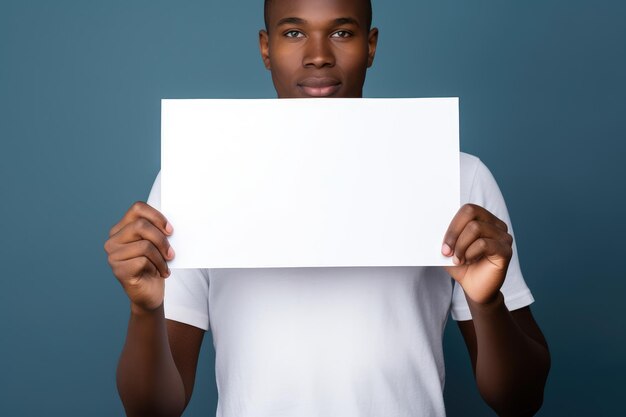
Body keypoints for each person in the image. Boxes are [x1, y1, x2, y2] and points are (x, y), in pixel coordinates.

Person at [104, 0, 551, 416]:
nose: (318, 55)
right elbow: (154, 410)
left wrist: (488, 302)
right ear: (266, 47)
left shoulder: (457, 177)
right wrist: (144, 312)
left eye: (341, 32)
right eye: (294, 33)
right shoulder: (195, 181)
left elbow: (521, 400)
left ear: (370, 46)